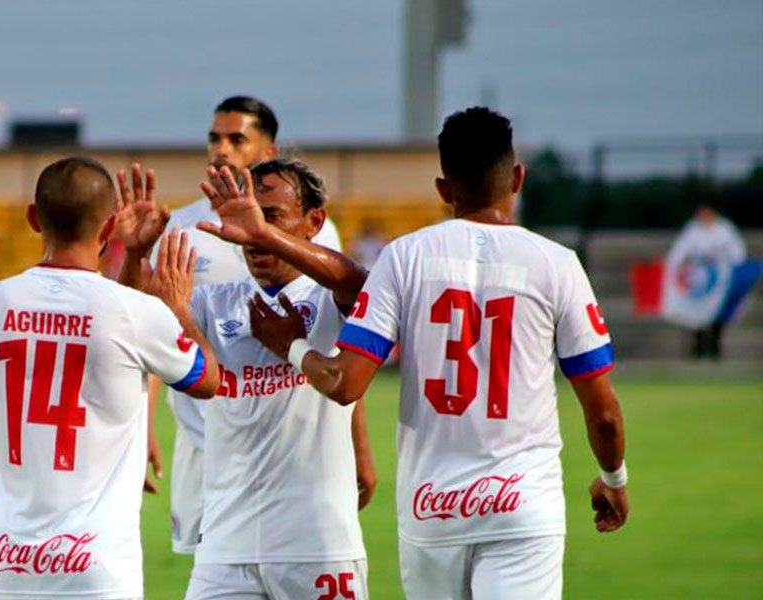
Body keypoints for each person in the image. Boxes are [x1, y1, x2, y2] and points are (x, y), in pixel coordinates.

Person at [250, 108, 629, 599]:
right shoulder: (557, 265)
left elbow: (345, 384)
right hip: (521, 506)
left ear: (443, 189)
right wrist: (612, 477)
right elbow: (602, 411)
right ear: (517, 178)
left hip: (433, 508)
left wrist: (291, 345)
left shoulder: (404, 256)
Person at [0, 157, 219, 600]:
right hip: (98, 567)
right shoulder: (136, 313)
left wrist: (132, 256)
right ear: (109, 226)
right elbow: (207, 381)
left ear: (33, 218)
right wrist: (177, 307)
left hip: (10, 563)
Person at [134, 95, 375, 558]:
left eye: (236, 138)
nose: (221, 149)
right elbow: (158, 323)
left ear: (268, 150)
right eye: (214, 138)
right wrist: (142, 426)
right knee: (217, 565)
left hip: (295, 435)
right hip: (205, 435)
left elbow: (348, 331)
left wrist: (358, 445)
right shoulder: (181, 225)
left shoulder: (314, 233)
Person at [664, 204, 758, 359]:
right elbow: (679, 251)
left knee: (717, 313)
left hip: (721, 279)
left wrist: (733, 267)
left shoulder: (725, 229)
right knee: (696, 314)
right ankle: (698, 347)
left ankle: (714, 347)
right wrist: (674, 267)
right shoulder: (693, 230)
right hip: (699, 279)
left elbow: (736, 252)